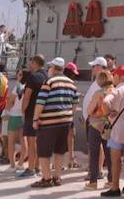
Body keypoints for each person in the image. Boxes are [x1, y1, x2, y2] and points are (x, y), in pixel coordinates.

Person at [31, 57, 77, 187]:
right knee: (59, 150)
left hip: (49, 123)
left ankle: (46, 178)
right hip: (65, 121)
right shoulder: (71, 83)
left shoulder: (49, 82)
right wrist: (69, 115)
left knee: (44, 151)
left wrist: (35, 119)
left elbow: (40, 102)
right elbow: (74, 103)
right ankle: (57, 177)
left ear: (53, 68)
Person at [101, 65, 124, 197]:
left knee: (115, 159)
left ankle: (115, 187)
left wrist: (108, 114)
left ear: (117, 76)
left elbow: (105, 102)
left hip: (117, 128)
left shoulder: (116, 90)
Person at [81, 63, 113, 189]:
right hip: (109, 125)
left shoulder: (99, 93)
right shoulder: (115, 91)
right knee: (109, 153)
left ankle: (93, 181)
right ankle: (111, 180)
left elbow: (89, 110)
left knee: (94, 153)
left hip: (96, 125)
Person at [19, 55, 47, 180]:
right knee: (39, 141)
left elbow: (27, 96)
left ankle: (30, 168)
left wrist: (23, 110)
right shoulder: (46, 76)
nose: (29, 65)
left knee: (31, 141)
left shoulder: (33, 77)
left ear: (35, 63)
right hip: (44, 113)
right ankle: (37, 167)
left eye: (31, 62)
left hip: (31, 113)